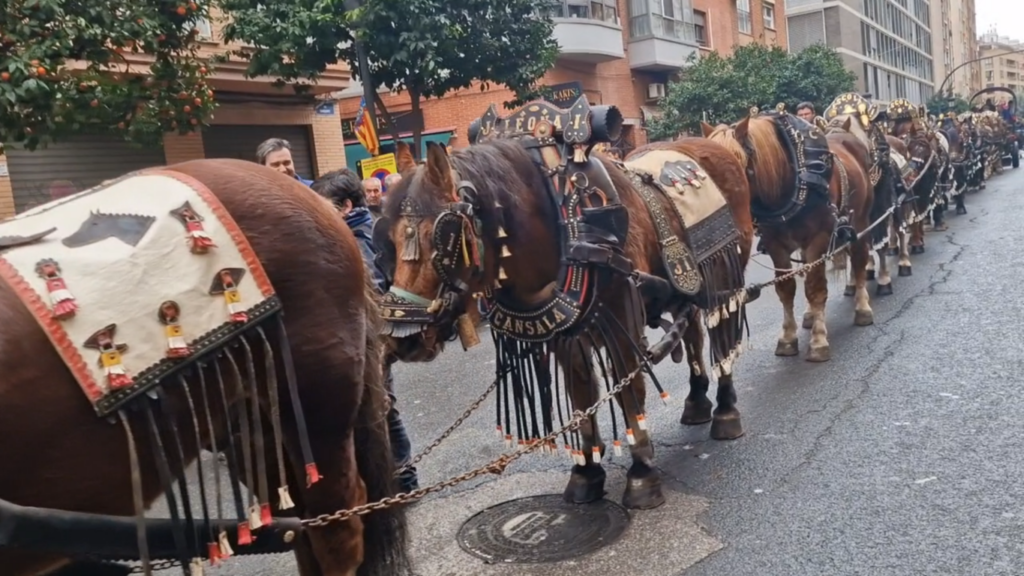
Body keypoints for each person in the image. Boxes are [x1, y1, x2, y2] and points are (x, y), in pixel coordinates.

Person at [310, 169, 420, 493]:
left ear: (345, 206)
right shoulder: (364, 229)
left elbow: (371, 291)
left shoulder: (358, 239)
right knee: (381, 407)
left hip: (371, 341)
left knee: (381, 408)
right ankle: (399, 477)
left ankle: (404, 478)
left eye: (323, 206)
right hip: (372, 339)